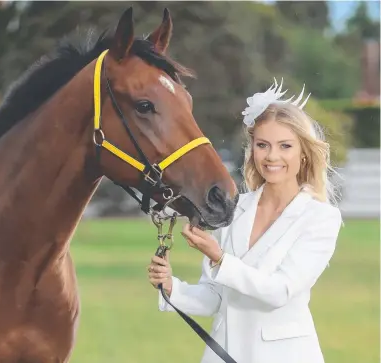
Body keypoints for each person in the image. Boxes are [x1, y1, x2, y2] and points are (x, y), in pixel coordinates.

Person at [147, 79, 343, 363]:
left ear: (304, 153)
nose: (272, 156)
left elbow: (279, 291)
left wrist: (219, 257)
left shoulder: (321, 218)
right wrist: (170, 287)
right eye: (263, 145)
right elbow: (216, 297)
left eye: (285, 146)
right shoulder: (236, 209)